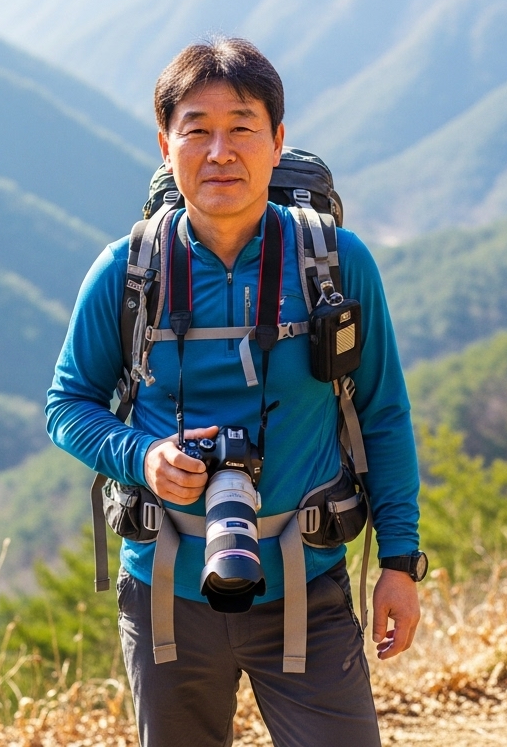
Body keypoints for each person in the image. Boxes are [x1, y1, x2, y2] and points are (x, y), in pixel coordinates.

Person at [46, 37, 422, 747]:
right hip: (166, 590)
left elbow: (383, 415)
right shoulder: (127, 272)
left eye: (242, 127)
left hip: (308, 583)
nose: (220, 150)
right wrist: (143, 456)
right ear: (166, 144)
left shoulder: (336, 265)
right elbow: (66, 405)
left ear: (277, 141)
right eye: (197, 129)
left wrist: (400, 563)